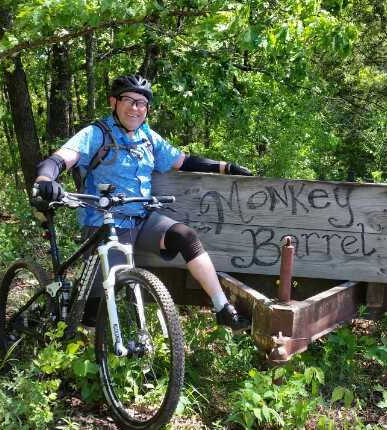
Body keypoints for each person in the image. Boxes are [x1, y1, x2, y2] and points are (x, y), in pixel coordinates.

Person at [33, 74, 251, 331]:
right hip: (105, 222)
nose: (136, 108)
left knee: (185, 236)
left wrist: (225, 167)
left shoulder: (148, 138)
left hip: (142, 218)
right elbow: (57, 160)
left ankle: (223, 308)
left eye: (142, 103)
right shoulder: (95, 134)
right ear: (114, 102)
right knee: (93, 312)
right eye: (129, 101)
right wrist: (45, 178)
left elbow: (184, 161)